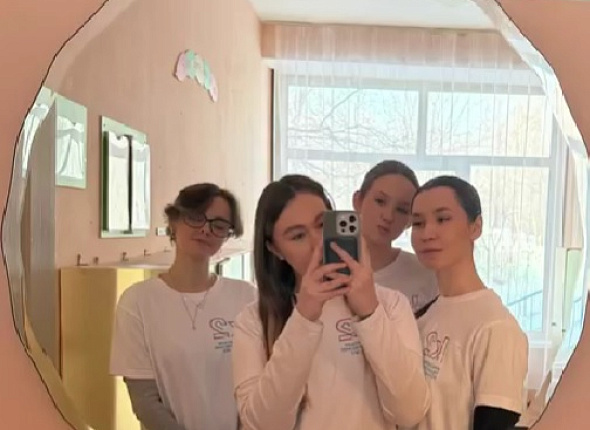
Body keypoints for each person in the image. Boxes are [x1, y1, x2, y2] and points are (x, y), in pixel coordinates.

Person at [232, 174, 430, 430]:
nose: (318, 244)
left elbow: (410, 412)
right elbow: (263, 425)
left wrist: (370, 313)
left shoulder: (390, 304)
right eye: (298, 236)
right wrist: (304, 317)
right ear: (275, 249)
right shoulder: (254, 321)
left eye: (322, 225)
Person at [110, 183, 257, 430]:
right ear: (174, 222)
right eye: (196, 218)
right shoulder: (137, 302)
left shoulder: (246, 297)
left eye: (219, 225)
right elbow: (145, 402)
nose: (206, 230)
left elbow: (259, 387)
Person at [407, 175, 529, 430]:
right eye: (418, 223)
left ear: (476, 227)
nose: (427, 233)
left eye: (442, 219)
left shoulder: (496, 327)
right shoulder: (424, 314)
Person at [353, 160, 438, 315]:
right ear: (358, 201)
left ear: (410, 220)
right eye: (380, 201)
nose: (388, 216)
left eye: (401, 210)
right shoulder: (328, 269)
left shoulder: (426, 275)